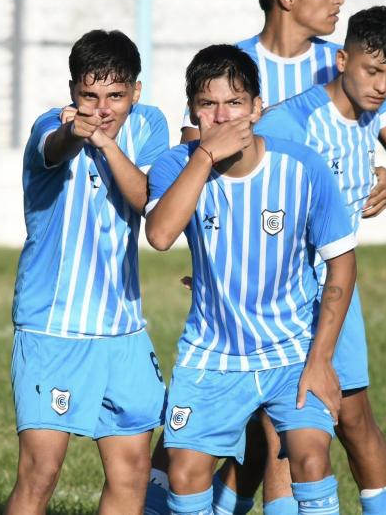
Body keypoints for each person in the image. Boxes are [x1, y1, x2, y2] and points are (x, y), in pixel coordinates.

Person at [147, 0, 386, 513]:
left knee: (339, 418)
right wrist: (216, 259)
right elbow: (192, 185)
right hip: (239, 296)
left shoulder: (354, 64)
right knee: (235, 441)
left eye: (236, 105)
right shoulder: (231, 65)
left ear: (254, 105)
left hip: (320, 286)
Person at [145, 43, 357, 515]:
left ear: (257, 108)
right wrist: (203, 159)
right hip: (212, 356)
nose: (222, 117)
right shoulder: (175, 166)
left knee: (310, 456)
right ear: (193, 111)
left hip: (291, 353)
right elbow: (159, 235)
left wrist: (320, 359)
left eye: (235, 103)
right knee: (182, 472)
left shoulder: (303, 167)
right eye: (208, 104)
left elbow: (342, 261)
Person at [254, 7, 386, 513]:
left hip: (338, 287)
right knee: (287, 425)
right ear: (343, 60)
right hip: (279, 291)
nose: (381, 84)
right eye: (372, 72)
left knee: (353, 417)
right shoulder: (290, 121)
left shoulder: (376, 107)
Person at [5, 29, 168, 515]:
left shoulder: (150, 126)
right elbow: (53, 147)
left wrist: (105, 142)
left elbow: (146, 201)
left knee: (133, 472)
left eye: (116, 95)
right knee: (41, 473)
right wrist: (76, 135)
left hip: (123, 333)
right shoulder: (50, 128)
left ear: (135, 92)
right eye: (89, 95)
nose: (102, 108)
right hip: (53, 329)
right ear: (73, 90)